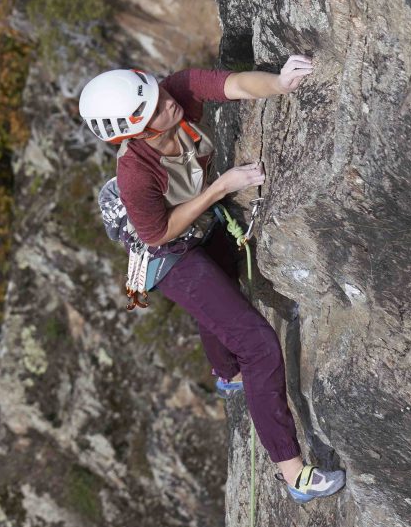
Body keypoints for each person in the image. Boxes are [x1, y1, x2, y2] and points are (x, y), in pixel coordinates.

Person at [77, 58, 345, 503]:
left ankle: (227, 373)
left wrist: (279, 83)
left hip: (201, 228)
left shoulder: (174, 93)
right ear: (133, 132)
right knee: (259, 344)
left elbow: (234, 84)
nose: (169, 102)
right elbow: (158, 232)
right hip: (168, 257)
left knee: (223, 294)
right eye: (156, 109)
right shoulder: (136, 174)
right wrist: (220, 189)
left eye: (161, 94)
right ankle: (293, 472)